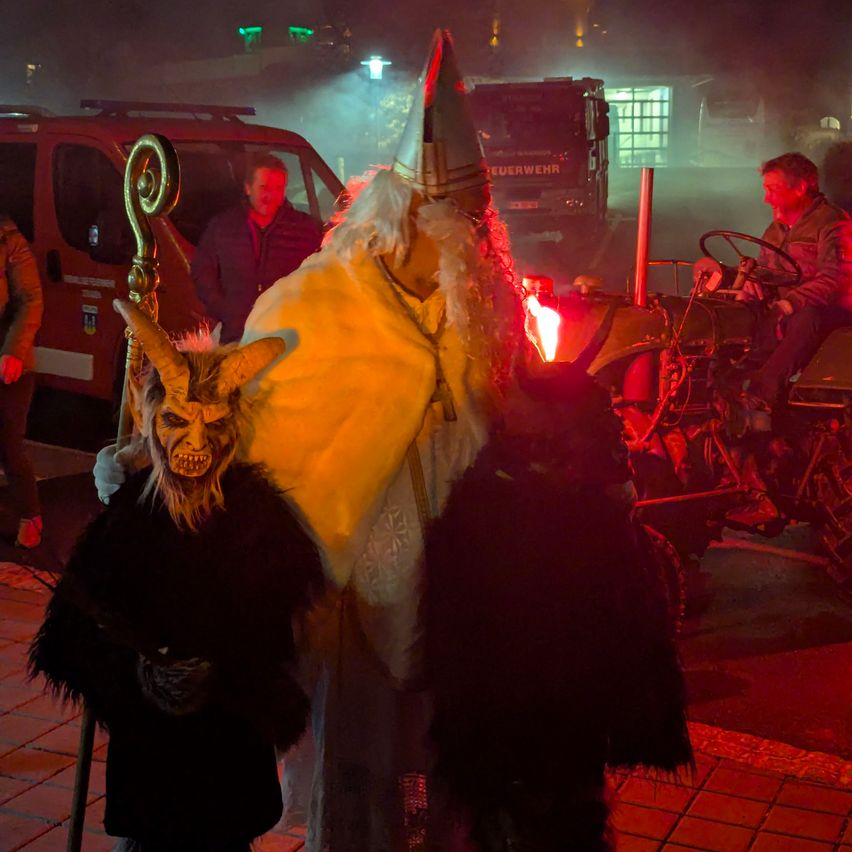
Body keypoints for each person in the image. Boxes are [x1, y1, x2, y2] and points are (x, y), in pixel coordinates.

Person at [31, 300, 324, 850]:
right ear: (153, 422)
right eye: (176, 421)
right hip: (154, 772)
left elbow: (278, 644)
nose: (194, 444)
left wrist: (232, 678)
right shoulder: (129, 523)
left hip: (226, 766)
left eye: (212, 424)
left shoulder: (259, 524)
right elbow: (67, 643)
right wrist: (133, 674)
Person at [740, 152, 851, 422]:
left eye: (773, 190)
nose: (767, 199)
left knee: (807, 316)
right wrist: (752, 283)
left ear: (801, 187)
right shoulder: (776, 228)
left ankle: (762, 394)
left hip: (831, 313)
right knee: (737, 310)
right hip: (785, 310)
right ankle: (729, 380)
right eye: (766, 190)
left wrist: (790, 303)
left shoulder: (833, 223)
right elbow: (767, 269)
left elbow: (836, 278)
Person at [190, 153, 323, 344]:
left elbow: (316, 276)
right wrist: (225, 309)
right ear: (248, 188)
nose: (270, 196)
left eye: (278, 188)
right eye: (263, 187)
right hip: (237, 335)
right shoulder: (223, 227)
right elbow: (202, 271)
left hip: (285, 336)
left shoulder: (304, 230)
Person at [0, 215, 44, 549]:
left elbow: (30, 299)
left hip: (9, 362)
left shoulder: (9, 240)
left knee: (9, 443)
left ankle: (31, 517)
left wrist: (14, 351)